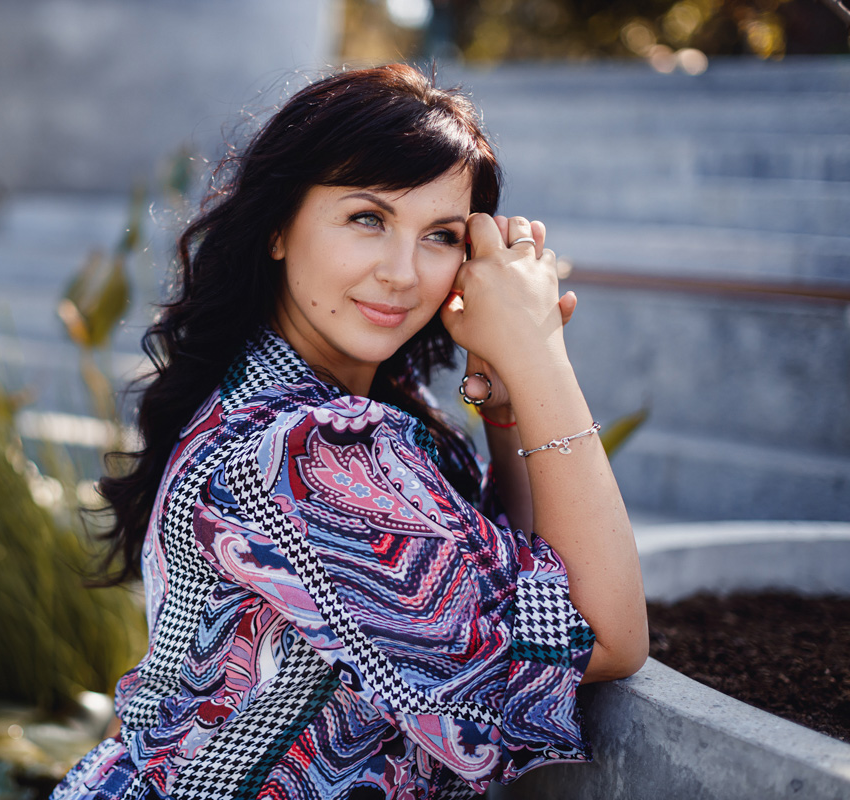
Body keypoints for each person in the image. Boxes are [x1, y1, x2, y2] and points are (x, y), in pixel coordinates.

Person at [51, 63, 648, 800]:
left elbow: (516, 580)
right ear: (277, 225)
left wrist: (506, 398)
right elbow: (607, 634)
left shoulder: (299, 395)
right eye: (368, 218)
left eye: (441, 235)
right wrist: (541, 357)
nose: (403, 272)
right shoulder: (303, 456)